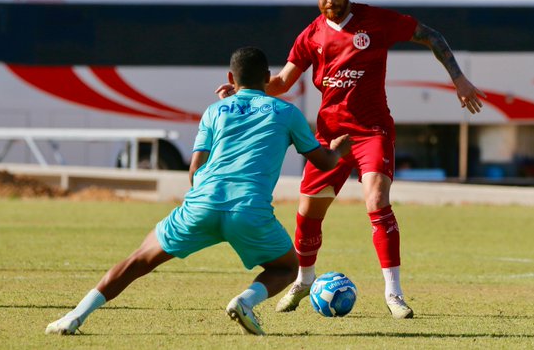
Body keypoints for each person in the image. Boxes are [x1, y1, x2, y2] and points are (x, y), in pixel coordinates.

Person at [217, 0, 486, 320]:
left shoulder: (376, 21)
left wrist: (459, 79)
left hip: (372, 131)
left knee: (376, 199)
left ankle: (394, 293)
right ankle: (304, 280)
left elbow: (431, 36)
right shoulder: (310, 36)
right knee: (308, 214)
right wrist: (242, 91)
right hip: (329, 138)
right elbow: (280, 82)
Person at [45, 46, 352, 336]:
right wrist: (337, 150)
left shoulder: (215, 111)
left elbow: (194, 171)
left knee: (139, 259)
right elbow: (323, 163)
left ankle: (75, 316)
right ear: (268, 78)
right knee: (286, 267)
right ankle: (245, 301)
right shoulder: (287, 113)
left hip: (201, 204)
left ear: (231, 78)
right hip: (248, 210)